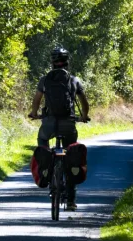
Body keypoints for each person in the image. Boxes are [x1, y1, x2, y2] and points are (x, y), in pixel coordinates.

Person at [28, 46, 89, 211]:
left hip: (48, 124)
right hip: (68, 124)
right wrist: (83, 116)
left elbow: (36, 100)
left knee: (42, 141)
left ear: (52, 62)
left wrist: (34, 113)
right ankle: (70, 201)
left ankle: (46, 166)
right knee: (70, 157)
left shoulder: (45, 80)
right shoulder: (74, 80)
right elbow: (84, 102)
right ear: (67, 62)